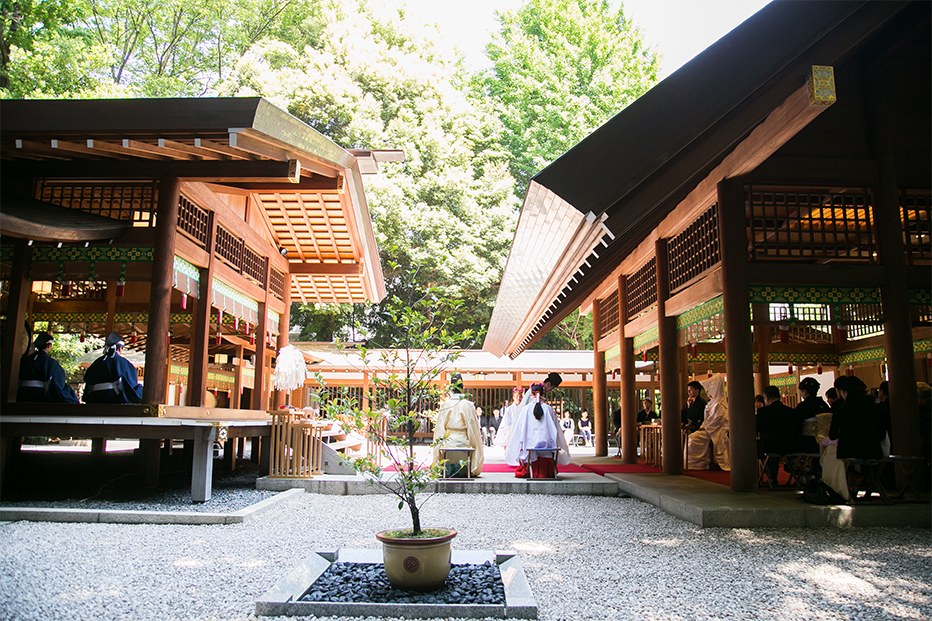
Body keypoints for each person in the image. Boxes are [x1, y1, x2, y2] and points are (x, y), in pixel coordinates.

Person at [819, 375, 883, 501]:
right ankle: (854, 486)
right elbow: (881, 433)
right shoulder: (874, 408)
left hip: (849, 451)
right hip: (874, 450)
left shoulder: (841, 411)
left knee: (828, 456)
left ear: (844, 392)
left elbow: (833, 435)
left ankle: (837, 489)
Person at [504, 383, 571, 478]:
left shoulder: (526, 409)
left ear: (531, 395)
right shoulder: (548, 409)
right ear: (543, 394)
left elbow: (519, 430)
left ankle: (529, 471)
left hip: (529, 445)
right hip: (547, 445)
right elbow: (555, 429)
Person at [432, 373, 484, 477]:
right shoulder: (468, 406)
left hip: (448, 441)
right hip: (463, 441)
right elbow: (473, 430)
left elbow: (439, 429)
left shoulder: (445, 405)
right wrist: (475, 445)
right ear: (463, 389)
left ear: (451, 389)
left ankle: (446, 469)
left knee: (444, 451)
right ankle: (466, 470)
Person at [17, 332, 79, 403]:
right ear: (49, 346)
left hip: (21, 394)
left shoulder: (26, 360)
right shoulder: (49, 362)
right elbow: (57, 384)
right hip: (39, 395)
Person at [83, 333, 143, 403]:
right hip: (115, 402)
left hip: (94, 402)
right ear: (120, 348)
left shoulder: (95, 363)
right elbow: (131, 387)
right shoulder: (123, 363)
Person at [686, 375, 729, 471]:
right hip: (708, 428)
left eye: (709, 390)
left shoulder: (719, 404)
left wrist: (706, 428)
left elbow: (718, 420)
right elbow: (707, 420)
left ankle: (699, 463)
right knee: (691, 437)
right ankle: (694, 463)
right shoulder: (711, 403)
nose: (708, 392)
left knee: (693, 438)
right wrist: (704, 426)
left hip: (715, 430)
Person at [795, 377, 830, 454]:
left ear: (804, 392)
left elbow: (796, 425)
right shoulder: (824, 405)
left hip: (808, 443)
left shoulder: (803, 406)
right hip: (826, 443)